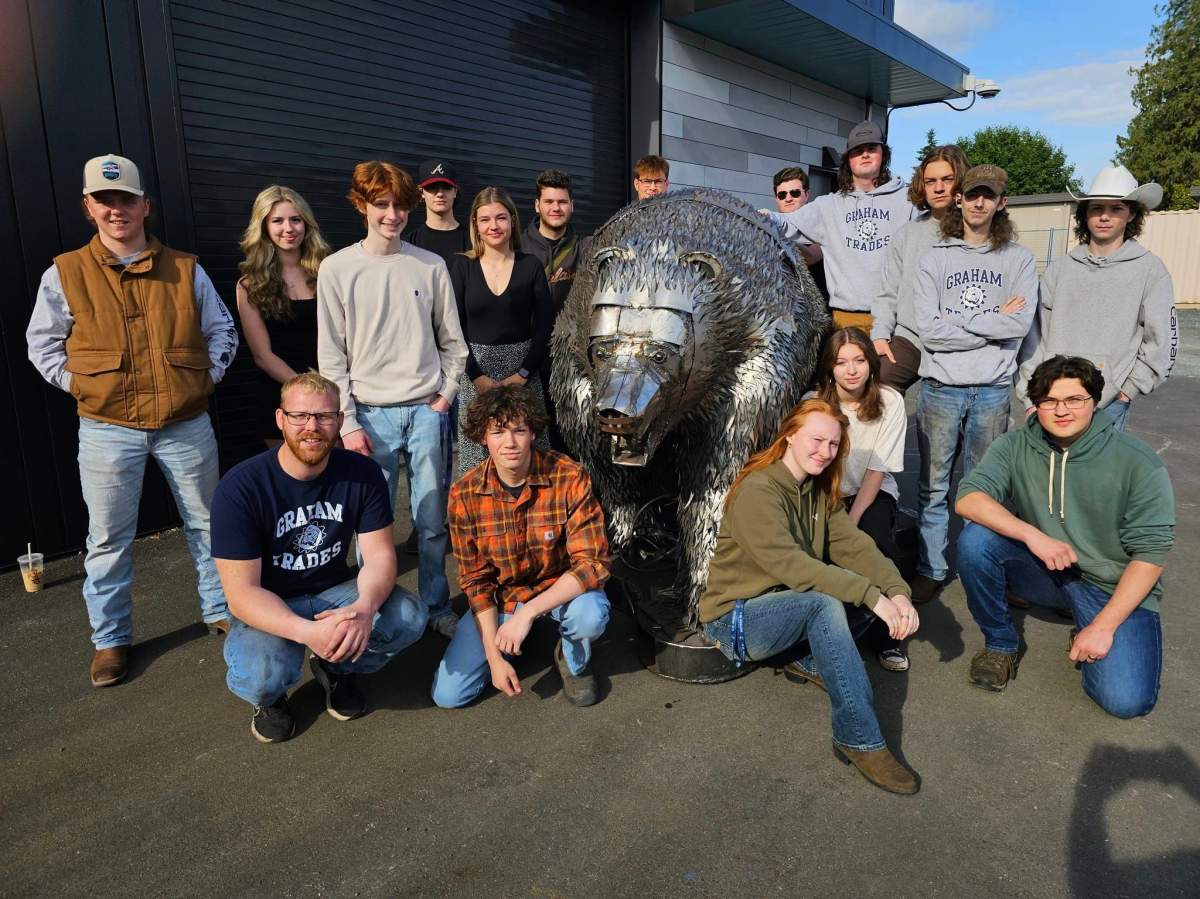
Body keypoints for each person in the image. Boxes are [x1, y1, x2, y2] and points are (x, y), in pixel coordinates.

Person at [26, 153, 238, 688]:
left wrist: (203, 381)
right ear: (88, 207)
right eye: (105, 200)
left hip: (185, 422)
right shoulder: (65, 272)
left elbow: (223, 332)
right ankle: (111, 640)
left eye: (126, 199)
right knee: (107, 539)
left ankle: (222, 609)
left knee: (207, 523)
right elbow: (41, 344)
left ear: (145, 205)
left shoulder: (186, 267)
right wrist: (79, 385)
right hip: (106, 428)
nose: (116, 210)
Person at [700, 398, 920, 794]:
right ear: (789, 436)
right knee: (827, 601)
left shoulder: (817, 491)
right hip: (736, 619)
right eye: (817, 440)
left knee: (859, 585)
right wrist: (872, 596)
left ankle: (805, 657)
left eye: (834, 445)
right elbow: (792, 567)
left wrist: (897, 593)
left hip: (784, 606)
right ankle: (859, 739)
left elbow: (856, 547)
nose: (825, 452)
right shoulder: (759, 490)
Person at [212, 372, 428, 742]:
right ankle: (272, 699)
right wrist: (309, 633)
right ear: (280, 419)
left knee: (407, 617)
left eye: (324, 417)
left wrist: (363, 610)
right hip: (270, 602)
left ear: (340, 422)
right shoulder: (240, 488)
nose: (312, 427)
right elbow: (242, 593)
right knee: (261, 675)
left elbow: (378, 559)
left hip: (334, 593)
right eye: (300, 416)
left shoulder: (362, 475)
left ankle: (337, 667)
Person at [955, 356, 1174, 717]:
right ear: (1035, 404)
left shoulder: (1137, 463)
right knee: (976, 540)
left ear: (1094, 401)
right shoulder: (1015, 447)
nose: (1061, 411)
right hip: (1047, 569)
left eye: (1074, 400)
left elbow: (1150, 555)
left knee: (1126, 702)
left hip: (1109, 588)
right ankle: (1000, 644)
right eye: (1049, 401)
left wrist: (1103, 627)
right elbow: (968, 497)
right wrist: (1031, 535)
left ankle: (1089, 626)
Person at [317, 160, 468, 639]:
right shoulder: (337, 269)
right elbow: (331, 355)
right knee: (371, 527)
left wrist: (444, 397)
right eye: (381, 205)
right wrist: (347, 422)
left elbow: (453, 344)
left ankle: (436, 604)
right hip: (368, 415)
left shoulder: (431, 265)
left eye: (400, 205)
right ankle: (376, 607)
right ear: (361, 205)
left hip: (426, 411)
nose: (392, 215)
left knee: (430, 522)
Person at [432, 385, 611, 708]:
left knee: (591, 614)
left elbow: (592, 563)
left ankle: (573, 660)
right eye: (498, 432)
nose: (510, 443)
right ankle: (506, 641)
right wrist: (493, 657)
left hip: (559, 589)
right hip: (504, 598)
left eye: (519, 431)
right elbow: (476, 581)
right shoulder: (464, 494)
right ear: (483, 438)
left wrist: (528, 612)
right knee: (449, 695)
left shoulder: (569, 476)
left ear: (532, 434)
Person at [910, 164, 1037, 604]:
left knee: (984, 487)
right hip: (941, 387)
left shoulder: (1018, 259)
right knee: (933, 486)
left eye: (989, 195)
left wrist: (962, 321)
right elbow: (929, 330)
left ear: (1001, 202)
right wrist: (995, 320)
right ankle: (931, 567)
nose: (979, 202)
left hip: (992, 389)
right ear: (958, 200)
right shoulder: (935, 259)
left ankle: (980, 566)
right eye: (971, 194)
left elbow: (1019, 326)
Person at [1017, 165, 1176, 431]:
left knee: (1101, 474)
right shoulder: (1060, 269)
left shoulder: (1149, 270)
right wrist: (1030, 394)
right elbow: (1035, 336)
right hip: (1053, 399)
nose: (1105, 217)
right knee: (1050, 472)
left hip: (1109, 403)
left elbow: (1161, 341)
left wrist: (1128, 390)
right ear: (1085, 215)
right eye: (1096, 209)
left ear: (1131, 214)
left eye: (1116, 209)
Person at [812, 328, 909, 671]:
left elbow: (876, 472)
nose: (851, 370)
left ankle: (889, 637)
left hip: (872, 490)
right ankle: (833, 633)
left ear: (871, 363)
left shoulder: (890, 401)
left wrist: (851, 524)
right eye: (841, 362)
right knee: (819, 555)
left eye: (859, 360)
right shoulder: (814, 404)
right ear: (829, 369)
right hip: (827, 493)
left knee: (876, 542)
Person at [449, 186, 554, 477]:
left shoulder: (530, 266)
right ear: (475, 226)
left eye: (500, 218)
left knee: (527, 451)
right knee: (477, 457)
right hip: (475, 374)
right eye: (485, 220)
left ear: (512, 221)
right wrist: (477, 376)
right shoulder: (461, 266)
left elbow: (545, 325)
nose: (493, 226)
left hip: (523, 374)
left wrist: (522, 374)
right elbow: (452, 329)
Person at [772, 121, 915, 330]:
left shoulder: (908, 200)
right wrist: (759, 215)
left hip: (896, 318)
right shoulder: (828, 206)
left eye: (871, 149)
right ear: (849, 159)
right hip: (846, 320)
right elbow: (783, 223)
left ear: (883, 154)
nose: (865, 154)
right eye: (858, 151)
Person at [237, 185, 331, 446]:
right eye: (277, 220)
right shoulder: (249, 284)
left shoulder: (329, 272)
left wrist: (328, 390)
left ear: (307, 224)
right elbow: (263, 356)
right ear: (264, 226)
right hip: (281, 396)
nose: (288, 228)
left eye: (296, 219)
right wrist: (307, 391)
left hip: (333, 392)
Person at [871, 145, 970, 392]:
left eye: (947, 179)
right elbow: (888, 292)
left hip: (961, 342)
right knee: (876, 384)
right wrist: (880, 335)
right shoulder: (907, 235)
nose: (938, 188)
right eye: (930, 181)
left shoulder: (977, 233)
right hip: (912, 338)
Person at [522, 169, 587, 451]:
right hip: (524, 361)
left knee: (570, 441)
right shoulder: (517, 247)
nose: (555, 208)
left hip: (569, 362)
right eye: (548, 201)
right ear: (537, 205)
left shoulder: (586, 247)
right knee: (528, 438)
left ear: (571, 205)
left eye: (561, 202)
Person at [771, 166, 827, 300]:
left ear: (807, 195)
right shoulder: (771, 225)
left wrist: (773, 232)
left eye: (795, 193)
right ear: (776, 199)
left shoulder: (822, 223)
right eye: (782, 195)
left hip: (817, 309)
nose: (788, 198)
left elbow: (810, 256)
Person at [401, 159, 470, 266]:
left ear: (455, 191)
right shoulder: (408, 244)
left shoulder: (474, 241)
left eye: (446, 187)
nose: (440, 194)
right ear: (422, 192)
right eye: (432, 187)